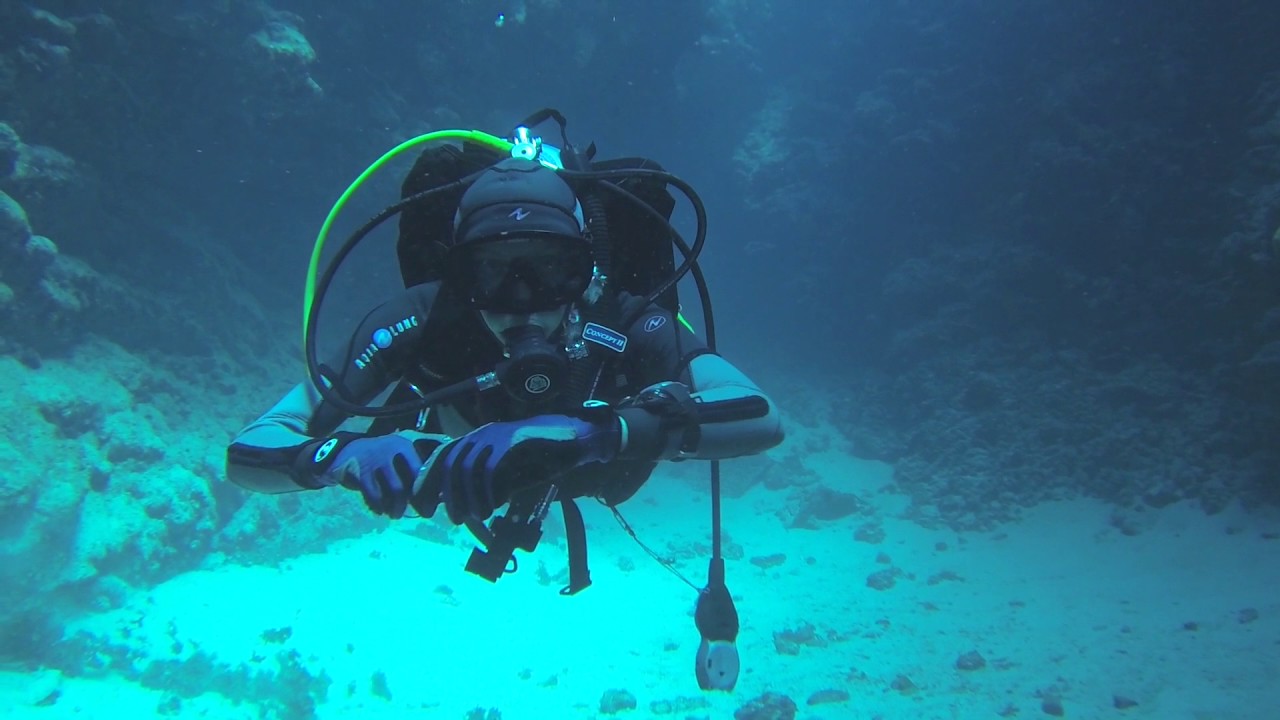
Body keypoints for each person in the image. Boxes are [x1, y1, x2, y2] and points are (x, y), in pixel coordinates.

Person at [225, 155, 783, 540]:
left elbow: (760, 413)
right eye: (491, 273)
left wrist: (591, 434)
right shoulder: (422, 316)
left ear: (585, 271)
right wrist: (338, 455)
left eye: (551, 271)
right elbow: (250, 448)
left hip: (600, 470)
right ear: (457, 276)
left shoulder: (623, 316)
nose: (523, 301)